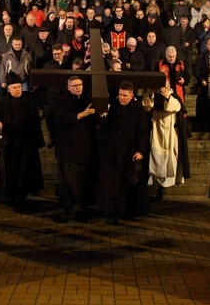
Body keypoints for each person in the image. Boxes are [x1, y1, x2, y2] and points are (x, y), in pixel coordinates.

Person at [0, 72, 45, 204]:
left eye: (19, 87)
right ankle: (14, 193)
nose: (17, 90)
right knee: (13, 168)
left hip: (28, 141)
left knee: (26, 168)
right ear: (8, 89)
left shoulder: (29, 100)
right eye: (14, 88)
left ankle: (23, 193)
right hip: (11, 142)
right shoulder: (0, 104)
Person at [99, 81, 150, 225]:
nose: (122, 98)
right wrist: (102, 117)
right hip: (112, 152)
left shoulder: (138, 109)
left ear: (132, 95)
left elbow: (142, 132)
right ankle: (112, 213)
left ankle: (126, 212)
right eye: (120, 95)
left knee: (125, 185)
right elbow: (107, 127)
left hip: (128, 153)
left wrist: (140, 151)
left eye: (125, 95)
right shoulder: (115, 107)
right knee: (111, 184)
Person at [52, 75, 99, 222]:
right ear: (68, 87)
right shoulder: (61, 102)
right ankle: (68, 208)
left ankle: (84, 206)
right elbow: (60, 118)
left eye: (80, 85)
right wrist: (81, 115)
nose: (78, 88)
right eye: (74, 85)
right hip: (68, 149)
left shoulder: (87, 101)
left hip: (84, 148)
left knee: (84, 180)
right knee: (69, 181)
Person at [145, 75, 190, 197]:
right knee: (156, 159)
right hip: (156, 131)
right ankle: (158, 186)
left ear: (169, 85)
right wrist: (150, 93)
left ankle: (167, 184)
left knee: (170, 159)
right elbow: (146, 106)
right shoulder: (153, 96)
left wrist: (167, 97)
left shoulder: (173, 96)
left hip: (170, 133)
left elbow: (176, 107)